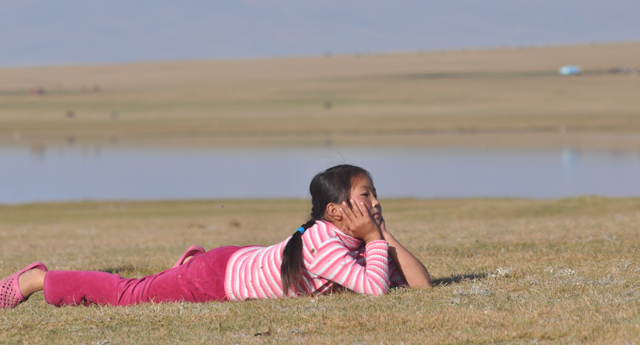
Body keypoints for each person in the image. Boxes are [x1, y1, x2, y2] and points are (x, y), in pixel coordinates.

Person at [0, 164, 431, 309]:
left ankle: (189, 262)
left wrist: (383, 234)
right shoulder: (323, 244)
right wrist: (376, 236)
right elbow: (377, 290)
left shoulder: (355, 239)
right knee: (129, 294)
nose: (375, 200)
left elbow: (418, 285)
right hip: (214, 278)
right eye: (365, 194)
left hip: (236, 260)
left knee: (157, 286)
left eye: (375, 193)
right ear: (335, 211)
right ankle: (39, 278)